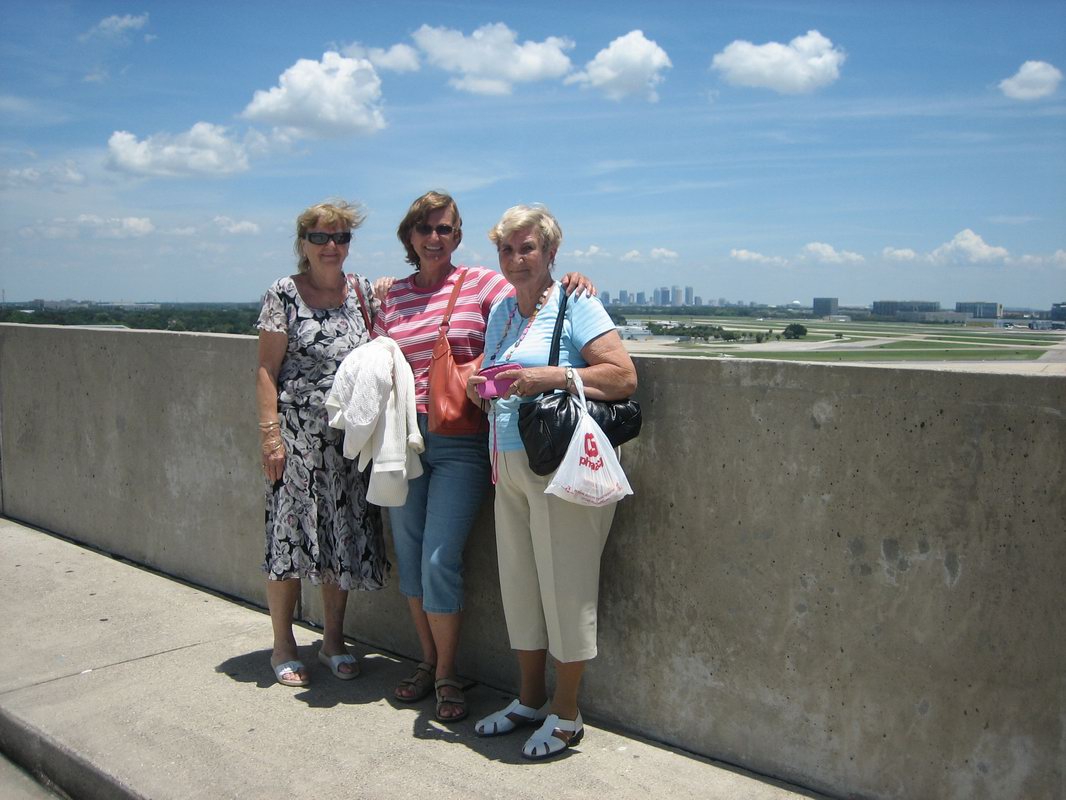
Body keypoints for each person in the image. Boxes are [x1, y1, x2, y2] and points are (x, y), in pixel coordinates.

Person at [372, 191, 593, 722]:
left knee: (438, 559)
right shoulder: (391, 296)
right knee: (410, 555)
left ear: (457, 236)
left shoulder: (480, 283)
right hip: (404, 438)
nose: (435, 239)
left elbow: (535, 294)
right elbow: (374, 357)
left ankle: (448, 673)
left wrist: (574, 280)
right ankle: (428, 662)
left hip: (461, 439)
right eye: (425, 229)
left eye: (445, 229)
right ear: (408, 236)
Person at [468, 205, 637, 759]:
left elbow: (623, 376)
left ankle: (567, 714)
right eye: (506, 249)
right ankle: (529, 699)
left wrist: (554, 376)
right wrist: (481, 387)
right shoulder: (502, 310)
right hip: (508, 463)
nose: (516, 259)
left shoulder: (576, 301)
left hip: (562, 468)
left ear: (550, 252)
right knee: (520, 587)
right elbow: (499, 372)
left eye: (527, 248)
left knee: (567, 589)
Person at [256, 200, 387, 687]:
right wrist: (271, 437)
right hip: (296, 440)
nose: (331, 246)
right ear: (303, 243)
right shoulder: (284, 294)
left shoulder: (363, 293)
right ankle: (283, 645)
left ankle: (333, 641)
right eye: (320, 237)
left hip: (349, 441)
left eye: (341, 237)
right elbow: (266, 370)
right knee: (287, 538)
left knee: (340, 537)